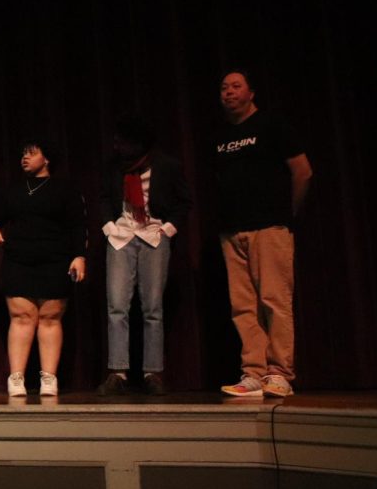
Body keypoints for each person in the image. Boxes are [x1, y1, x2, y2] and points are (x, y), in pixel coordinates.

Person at [215, 70, 312, 398]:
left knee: (274, 300)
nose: (229, 92)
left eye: (236, 86)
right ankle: (254, 372)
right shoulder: (222, 136)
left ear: (251, 92)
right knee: (243, 306)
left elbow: (302, 171)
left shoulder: (272, 125)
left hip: (269, 226)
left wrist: (288, 214)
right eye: (224, 87)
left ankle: (280, 372)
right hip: (232, 231)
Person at [97, 116, 193, 396]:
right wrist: (109, 226)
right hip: (121, 237)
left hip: (153, 237)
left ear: (138, 143)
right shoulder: (113, 167)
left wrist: (167, 229)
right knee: (117, 307)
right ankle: (118, 371)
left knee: (152, 308)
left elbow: (184, 201)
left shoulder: (166, 165)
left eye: (122, 141)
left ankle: (153, 372)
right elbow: (103, 196)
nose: (117, 146)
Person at [0, 140, 87, 397]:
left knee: (50, 318)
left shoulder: (64, 190)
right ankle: (16, 377)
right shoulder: (13, 190)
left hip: (54, 260)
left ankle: (49, 378)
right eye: (22, 154)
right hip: (19, 260)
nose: (24, 158)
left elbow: (78, 225)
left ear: (47, 159)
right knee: (22, 317)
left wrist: (79, 256)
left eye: (31, 153)